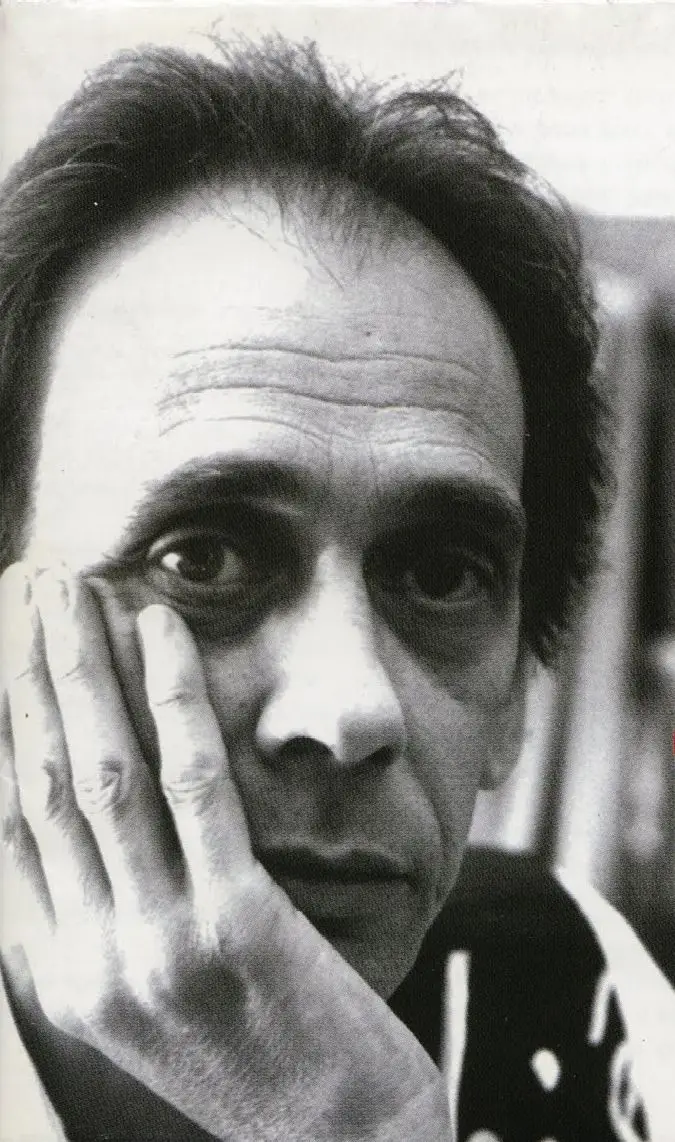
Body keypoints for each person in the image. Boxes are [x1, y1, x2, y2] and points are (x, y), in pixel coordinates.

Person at [0, 36, 673, 1142]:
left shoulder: (579, 992)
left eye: (441, 574)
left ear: (514, 698)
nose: (354, 707)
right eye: (203, 560)